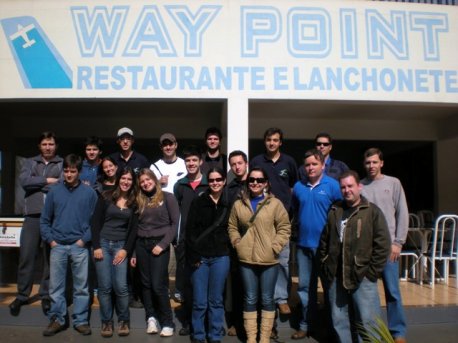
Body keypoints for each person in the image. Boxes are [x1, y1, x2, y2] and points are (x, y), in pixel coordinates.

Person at [318, 170, 391, 343]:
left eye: (350, 186)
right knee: (339, 320)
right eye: (343, 187)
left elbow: (383, 245)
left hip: (362, 274)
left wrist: (371, 272)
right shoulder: (335, 209)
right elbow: (324, 240)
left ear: (359, 186)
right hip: (336, 274)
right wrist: (325, 262)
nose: (347, 190)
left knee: (368, 321)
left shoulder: (372, 212)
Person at [228, 167, 291, 343]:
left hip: (268, 260)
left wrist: (275, 247)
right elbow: (232, 226)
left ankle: (264, 338)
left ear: (266, 183)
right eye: (252, 180)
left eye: (259, 180)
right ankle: (251, 337)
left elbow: (284, 227)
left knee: (267, 298)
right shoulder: (239, 204)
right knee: (249, 298)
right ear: (248, 183)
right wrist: (237, 243)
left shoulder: (275, 204)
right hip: (246, 259)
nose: (255, 183)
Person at [40, 154, 98, 336]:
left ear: (79, 172)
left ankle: (80, 321)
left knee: (81, 287)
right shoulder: (54, 191)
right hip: (58, 246)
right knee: (56, 287)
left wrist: (83, 240)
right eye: (66, 171)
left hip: (79, 246)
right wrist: (51, 240)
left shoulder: (89, 193)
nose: (69, 174)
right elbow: (44, 220)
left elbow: (95, 221)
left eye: (73, 171)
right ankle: (57, 319)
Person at [10, 131, 63, 317]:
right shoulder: (30, 162)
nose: (48, 147)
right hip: (32, 216)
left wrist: (37, 183)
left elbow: (63, 184)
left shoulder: (62, 163)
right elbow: (24, 181)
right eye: (44, 144)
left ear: (55, 146)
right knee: (27, 256)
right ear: (39, 146)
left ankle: (46, 295)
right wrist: (48, 180)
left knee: (50, 258)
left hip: (53, 218)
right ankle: (22, 295)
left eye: (51, 144)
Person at [291, 149, 342, 340]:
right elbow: (295, 210)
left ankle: (331, 327)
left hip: (326, 248)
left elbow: (341, 214)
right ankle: (305, 325)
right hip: (303, 247)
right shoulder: (298, 186)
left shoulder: (333, 186)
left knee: (329, 289)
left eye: (314, 164)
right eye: (307, 165)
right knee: (305, 289)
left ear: (323, 165)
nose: (310, 168)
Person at [361, 148, 409, 343]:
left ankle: (398, 332)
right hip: (367, 249)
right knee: (368, 294)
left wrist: (398, 243)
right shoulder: (360, 186)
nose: (371, 166)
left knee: (393, 292)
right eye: (367, 163)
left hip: (389, 248)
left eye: (374, 162)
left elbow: (403, 213)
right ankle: (373, 332)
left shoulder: (393, 183)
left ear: (381, 163)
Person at [249, 127, 298, 316]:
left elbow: (293, 188)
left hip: (282, 220)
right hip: (261, 220)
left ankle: (282, 298)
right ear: (265, 141)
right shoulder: (257, 162)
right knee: (261, 260)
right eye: (269, 140)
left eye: (275, 140)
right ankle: (264, 296)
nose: (272, 143)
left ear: (280, 142)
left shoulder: (289, 162)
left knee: (283, 261)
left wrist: (289, 212)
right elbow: (252, 185)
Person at [131, 169, 179, 337]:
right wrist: (134, 254)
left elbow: (174, 224)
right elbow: (136, 227)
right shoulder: (139, 199)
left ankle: (167, 322)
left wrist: (163, 244)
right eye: (142, 181)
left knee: (158, 285)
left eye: (148, 179)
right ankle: (150, 317)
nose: (145, 183)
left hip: (159, 245)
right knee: (146, 284)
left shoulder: (168, 197)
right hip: (141, 244)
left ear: (154, 179)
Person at [91, 167, 138, 337]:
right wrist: (96, 246)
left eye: (130, 179)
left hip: (120, 246)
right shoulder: (106, 196)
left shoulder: (134, 202)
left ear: (133, 182)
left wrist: (126, 250)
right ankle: (106, 322)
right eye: (123, 178)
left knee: (121, 286)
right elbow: (95, 222)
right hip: (103, 244)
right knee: (104, 287)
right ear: (118, 179)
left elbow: (133, 230)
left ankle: (124, 321)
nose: (126, 182)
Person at [185, 167, 231, 343]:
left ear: (224, 181)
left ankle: (215, 335)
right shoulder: (199, 202)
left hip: (221, 256)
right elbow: (190, 231)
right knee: (199, 301)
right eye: (211, 180)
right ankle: (198, 335)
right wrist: (193, 256)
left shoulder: (228, 203)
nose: (215, 183)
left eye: (218, 179)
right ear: (207, 182)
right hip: (201, 258)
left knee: (216, 300)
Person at [173, 145, 209, 335]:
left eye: (194, 160)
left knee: (203, 283)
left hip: (205, 243)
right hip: (185, 243)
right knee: (187, 283)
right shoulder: (180, 185)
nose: (191, 164)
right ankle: (187, 322)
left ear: (200, 162)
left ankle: (204, 322)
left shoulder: (208, 183)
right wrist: (176, 238)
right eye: (188, 161)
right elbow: (176, 214)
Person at [225, 150, 249, 338]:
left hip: (257, 243)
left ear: (246, 163)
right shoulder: (230, 187)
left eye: (239, 163)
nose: (237, 167)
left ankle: (266, 325)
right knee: (237, 285)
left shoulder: (257, 183)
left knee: (257, 287)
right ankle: (236, 323)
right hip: (236, 243)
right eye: (233, 164)